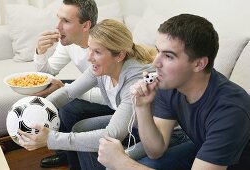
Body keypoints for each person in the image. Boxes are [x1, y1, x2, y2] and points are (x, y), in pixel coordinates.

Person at [97, 14, 250, 170]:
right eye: (158, 51)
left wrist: (121, 163)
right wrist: (142, 107)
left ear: (199, 64)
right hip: (204, 147)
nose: (156, 62)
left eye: (169, 56)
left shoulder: (230, 110)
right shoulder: (171, 84)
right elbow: (155, 150)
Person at [18, 19, 156, 170]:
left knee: (106, 152)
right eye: (90, 48)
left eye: (97, 52)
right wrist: (36, 108)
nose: (89, 57)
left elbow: (112, 135)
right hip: (132, 123)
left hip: (156, 134)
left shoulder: (134, 81)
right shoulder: (101, 67)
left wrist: (51, 139)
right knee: (80, 128)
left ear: (120, 55)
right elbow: (68, 92)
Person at [32, 0, 104, 168]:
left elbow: (111, 93)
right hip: (92, 87)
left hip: (111, 98)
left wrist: (65, 89)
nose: (58, 27)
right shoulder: (70, 42)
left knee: (69, 106)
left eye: (66, 21)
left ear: (85, 26)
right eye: (59, 19)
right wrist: (40, 53)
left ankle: (73, 162)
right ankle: (65, 154)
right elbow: (47, 74)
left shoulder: (104, 46)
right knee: (53, 91)